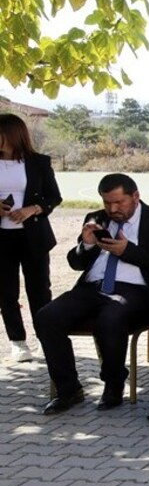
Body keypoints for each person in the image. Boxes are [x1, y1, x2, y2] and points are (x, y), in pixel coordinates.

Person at [35, 174, 149, 414]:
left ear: (135, 196)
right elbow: (76, 263)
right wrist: (87, 245)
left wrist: (128, 251)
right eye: (107, 203)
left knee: (111, 317)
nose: (113, 209)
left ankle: (113, 384)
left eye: (119, 202)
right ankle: (68, 389)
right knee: (47, 317)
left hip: (138, 290)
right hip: (92, 287)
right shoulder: (97, 218)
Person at [0, 113, 62, 362]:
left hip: (33, 236)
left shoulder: (39, 162)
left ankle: (44, 338)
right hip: (2, 238)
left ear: (12, 134)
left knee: (39, 290)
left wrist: (31, 209)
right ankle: (17, 342)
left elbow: (54, 197)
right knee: (6, 291)